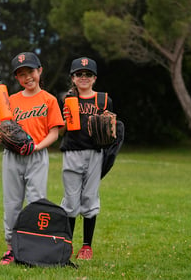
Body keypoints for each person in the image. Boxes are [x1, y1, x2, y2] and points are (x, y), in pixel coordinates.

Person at [0, 52, 65, 265]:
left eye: (30, 72)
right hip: (12, 157)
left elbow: (54, 133)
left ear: (40, 71)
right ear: (17, 78)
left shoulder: (49, 100)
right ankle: (11, 248)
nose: (27, 78)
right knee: (12, 203)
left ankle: (34, 248)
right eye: (21, 74)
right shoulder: (11, 100)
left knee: (37, 203)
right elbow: (4, 128)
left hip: (37, 156)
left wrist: (36, 146)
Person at [59, 57, 113, 260]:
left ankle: (87, 246)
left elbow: (112, 131)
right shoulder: (67, 99)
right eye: (79, 74)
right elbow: (61, 131)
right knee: (71, 200)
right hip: (72, 152)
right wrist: (65, 119)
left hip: (95, 153)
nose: (84, 78)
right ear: (73, 78)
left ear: (94, 78)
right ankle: (67, 244)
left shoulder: (103, 100)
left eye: (88, 74)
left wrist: (107, 127)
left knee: (90, 198)